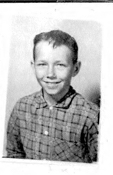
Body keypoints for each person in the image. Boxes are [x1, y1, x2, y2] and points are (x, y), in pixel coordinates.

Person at [6, 29, 99, 162]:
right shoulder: (21, 108)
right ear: (33, 66)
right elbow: (14, 155)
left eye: (60, 65)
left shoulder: (90, 116)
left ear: (75, 68)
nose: (50, 74)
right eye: (42, 64)